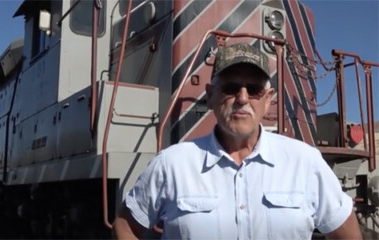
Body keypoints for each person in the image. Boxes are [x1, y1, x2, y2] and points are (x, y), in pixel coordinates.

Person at [112, 43, 362, 239]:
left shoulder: (305, 162)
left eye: (254, 89)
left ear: (268, 99)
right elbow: (126, 226)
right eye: (231, 88)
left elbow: (346, 233)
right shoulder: (171, 165)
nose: (242, 98)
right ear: (210, 96)